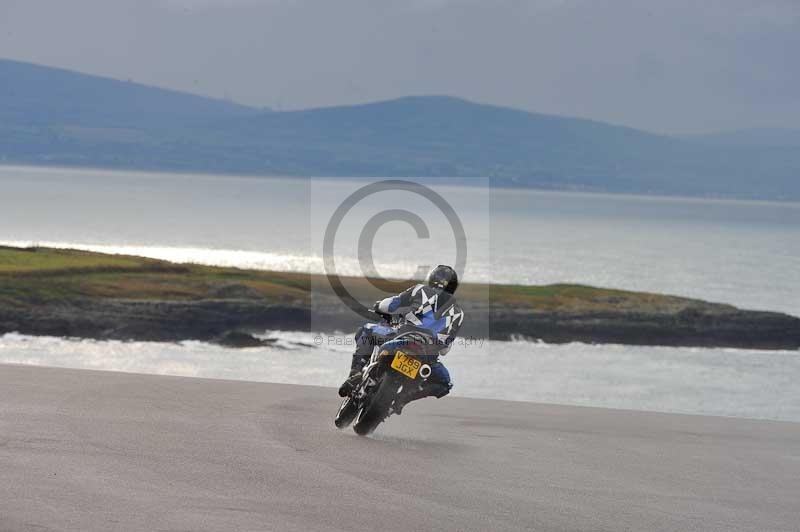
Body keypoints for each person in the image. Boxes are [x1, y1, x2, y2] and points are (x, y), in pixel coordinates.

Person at [338, 265, 465, 412]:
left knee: (367, 331)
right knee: (445, 383)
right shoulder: (458, 313)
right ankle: (404, 399)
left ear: (432, 278)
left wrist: (379, 306)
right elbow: (444, 350)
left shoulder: (420, 290)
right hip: (427, 356)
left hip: (401, 338)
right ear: (453, 286)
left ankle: (355, 373)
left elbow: (391, 304)